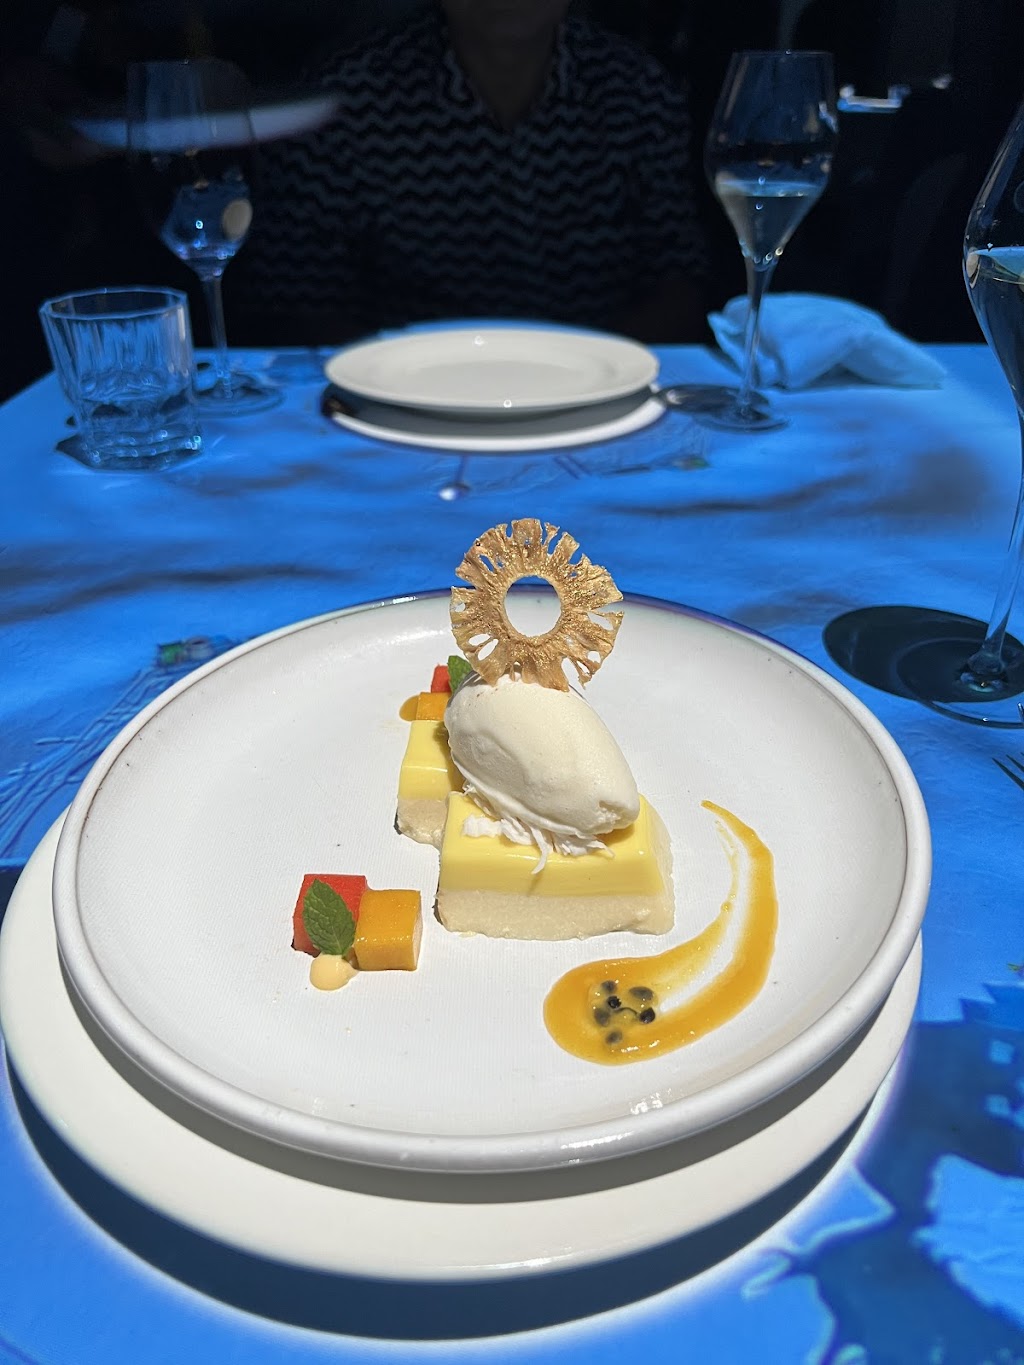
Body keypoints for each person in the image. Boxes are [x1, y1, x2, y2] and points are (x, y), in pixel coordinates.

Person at [231, 0, 707, 345]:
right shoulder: (346, 99)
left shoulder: (636, 90)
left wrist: (590, 371)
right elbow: (295, 303)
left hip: (604, 392)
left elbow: (681, 281)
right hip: (399, 399)